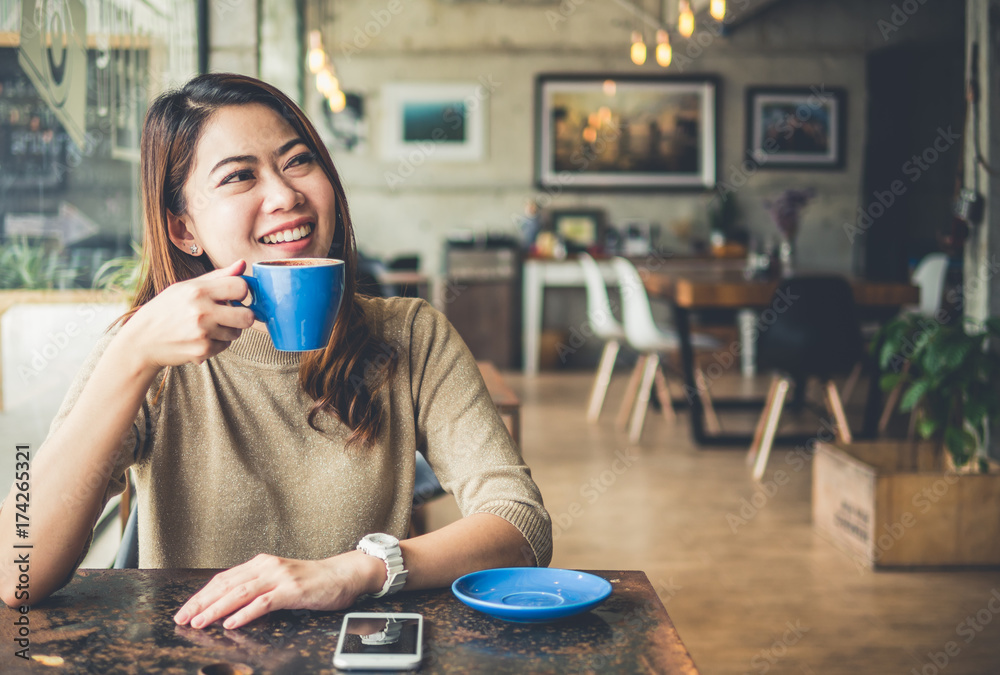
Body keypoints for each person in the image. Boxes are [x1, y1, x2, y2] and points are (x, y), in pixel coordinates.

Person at [0, 73, 552, 630]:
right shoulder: (149, 351)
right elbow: (15, 573)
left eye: (297, 161)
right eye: (240, 176)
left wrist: (359, 570)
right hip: (194, 656)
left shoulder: (413, 336)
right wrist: (132, 354)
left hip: (355, 652)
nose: (286, 195)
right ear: (183, 228)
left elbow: (520, 523)